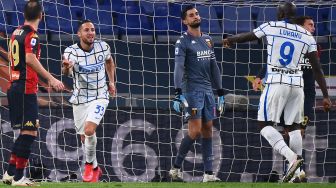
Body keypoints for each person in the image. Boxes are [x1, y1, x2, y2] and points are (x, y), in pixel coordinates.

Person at [223, 2, 331, 183]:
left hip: (276, 82)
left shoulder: (272, 26)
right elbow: (318, 69)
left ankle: (292, 158)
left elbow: (247, 36)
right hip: (297, 86)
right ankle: (297, 174)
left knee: (264, 125)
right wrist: (326, 96)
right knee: (295, 128)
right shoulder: (306, 35)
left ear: (280, 14)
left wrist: (229, 40)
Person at [2, 0, 64, 186]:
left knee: (24, 132)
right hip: (25, 87)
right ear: (41, 16)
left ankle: (9, 173)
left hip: (14, 87)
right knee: (29, 132)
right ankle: (19, 178)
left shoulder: (16, 32)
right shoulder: (32, 35)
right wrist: (50, 79)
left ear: (24, 15)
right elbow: (29, 58)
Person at [252, 15, 318, 183]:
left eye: (314, 25)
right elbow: (272, 62)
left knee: (296, 131)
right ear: (300, 26)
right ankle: (293, 171)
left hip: (302, 93)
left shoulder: (310, 44)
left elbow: (316, 71)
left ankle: (296, 170)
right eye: (310, 25)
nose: (313, 28)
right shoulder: (301, 40)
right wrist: (260, 76)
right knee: (286, 130)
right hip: (290, 90)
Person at [169, 5, 224, 182]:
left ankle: (208, 174)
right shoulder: (182, 42)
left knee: (208, 130)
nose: (195, 17)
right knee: (195, 131)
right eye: (191, 15)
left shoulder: (208, 40)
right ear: (184, 21)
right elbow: (178, 67)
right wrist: (178, 92)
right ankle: (176, 168)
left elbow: (213, 67)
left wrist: (220, 91)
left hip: (208, 91)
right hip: (191, 91)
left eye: (197, 14)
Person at [62, 19, 116, 182]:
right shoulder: (70, 52)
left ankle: (87, 166)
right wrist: (66, 66)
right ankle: (95, 168)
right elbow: (65, 72)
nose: (91, 32)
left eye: (92, 29)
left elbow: (109, 61)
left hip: (100, 95)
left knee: (89, 130)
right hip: (80, 98)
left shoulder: (103, 47)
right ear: (79, 34)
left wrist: (111, 82)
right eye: (86, 30)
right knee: (84, 138)